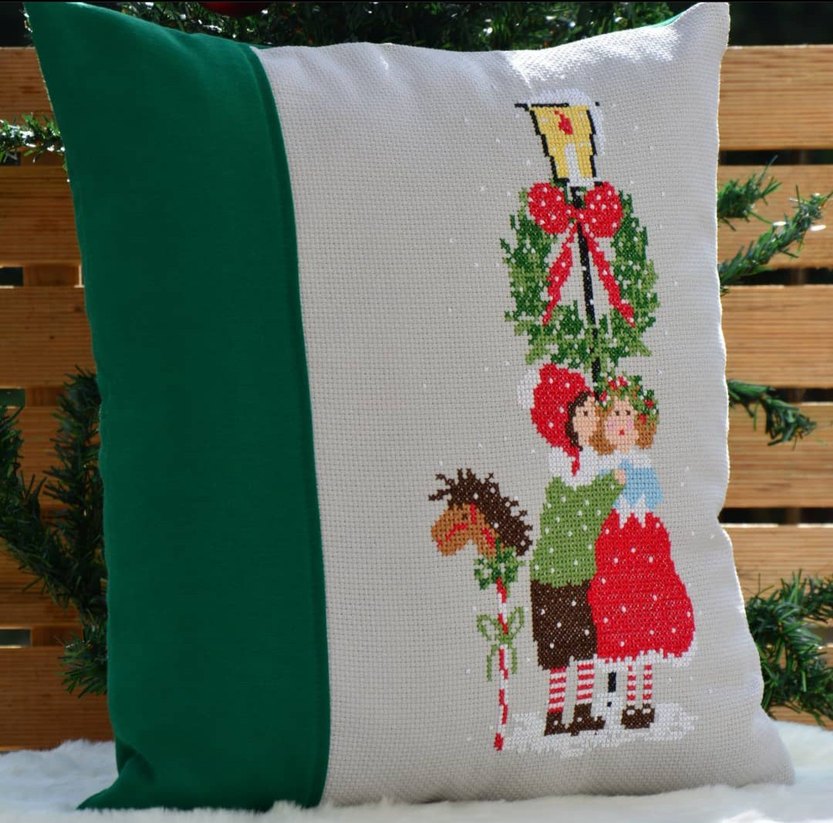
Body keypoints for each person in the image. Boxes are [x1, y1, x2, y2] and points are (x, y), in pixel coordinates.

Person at [587, 376, 695, 729]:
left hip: (643, 546)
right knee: (615, 622)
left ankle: (642, 701)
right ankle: (613, 696)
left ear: (640, 425)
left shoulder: (643, 465)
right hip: (612, 546)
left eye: (628, 414)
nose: (621, 422)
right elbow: (598, 502)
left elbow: (651, 501)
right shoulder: (601, 467)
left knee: (645, 624)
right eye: (614, 414)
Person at [523, 364, 623, 735]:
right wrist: (610, 487)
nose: (592, 416)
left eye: (592, 409)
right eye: (583, 411)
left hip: (581, 573)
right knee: (560, 651)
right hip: (557, 576)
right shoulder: (565, 472)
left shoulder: (589, 462)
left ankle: (580, 712)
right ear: (566, 422)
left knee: (584, 647)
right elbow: (583, 517)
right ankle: (554, 716)